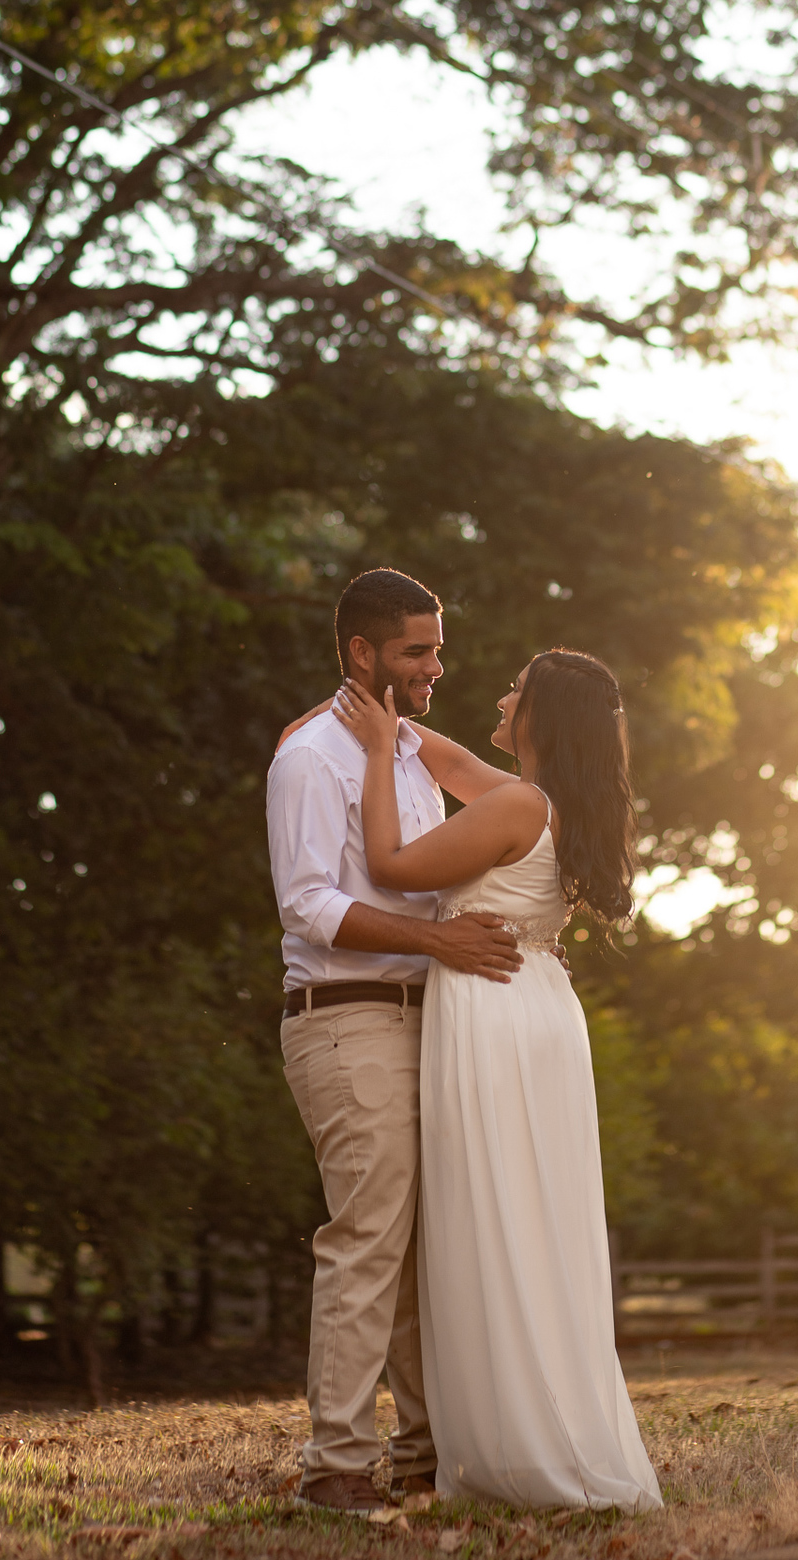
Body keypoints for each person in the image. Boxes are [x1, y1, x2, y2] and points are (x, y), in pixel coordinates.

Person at [332, 650, 662, 1513]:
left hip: (495, 1011)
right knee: (528, 1218)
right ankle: (533, 1426)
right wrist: (386, 718)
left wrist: (372, 755)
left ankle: (519, 1442)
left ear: (541, 720)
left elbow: (390, 868)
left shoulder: (519, 804)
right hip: (538, 1009)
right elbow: (447, 761)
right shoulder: (540, 801)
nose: (502, 695)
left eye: (518, 690)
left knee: (494, 1214)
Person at [266, 569, 546, 1516]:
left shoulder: (414, 754)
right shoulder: (311, 757)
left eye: (437, 646)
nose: (438, 665)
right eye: (417, 651)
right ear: (362, 653)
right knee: (368, 1238)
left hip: (430, 1021)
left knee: (433, 1246)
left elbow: (457, 861)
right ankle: (335, 1465)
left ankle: (425, 1456)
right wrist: (438, 940)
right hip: (347, 1020)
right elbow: (307, 904)